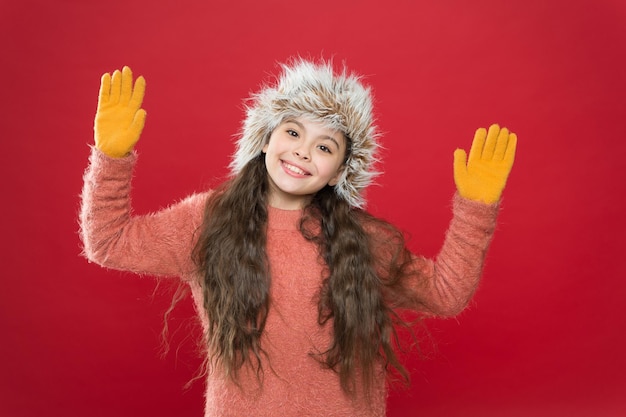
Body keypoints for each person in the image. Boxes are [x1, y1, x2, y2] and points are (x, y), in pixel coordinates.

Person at [79, 60, 516, 417]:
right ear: (265, 140)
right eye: (293, 132)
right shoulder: (208, 219)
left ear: (342, 171)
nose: (304, 151)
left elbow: (446, 293)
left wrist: (475, 209)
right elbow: (109, 241)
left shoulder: (362, 239)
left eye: (325, 147)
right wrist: (112, 157)